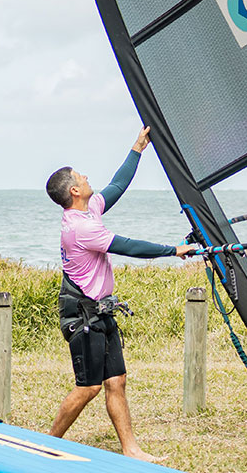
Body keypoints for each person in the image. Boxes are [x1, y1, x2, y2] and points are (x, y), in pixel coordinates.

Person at [44, 126, 194, 462]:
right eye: (80, 175)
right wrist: (174, 250)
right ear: (75, 190)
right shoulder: (81, 228)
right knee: (89, 387)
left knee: (117, 381)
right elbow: (128, 246)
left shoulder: (88, 210)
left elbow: (117, 185)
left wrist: (137, 148)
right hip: (83, 315)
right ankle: (47, 444)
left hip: (100, 311)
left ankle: (131, 449)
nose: (86, 175)